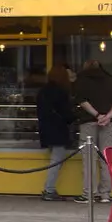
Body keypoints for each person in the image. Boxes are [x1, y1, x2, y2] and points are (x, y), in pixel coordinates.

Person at [71, 60, 112, 203]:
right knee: (106, 158)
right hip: (107, 124)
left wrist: (97, 115)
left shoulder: (82, 81)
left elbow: (82, 101)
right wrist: (107, 116)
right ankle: (105, 194)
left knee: (89, 159)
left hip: (88, 123)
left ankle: (89, 193)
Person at [36, 64, 78, 201]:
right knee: (56, 161)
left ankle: (49, 189)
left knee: (54, 160)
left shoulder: (43, 91)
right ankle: (49, 190)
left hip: (45, 129)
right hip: (58, 130)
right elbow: (67, 114)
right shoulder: (61, 92)